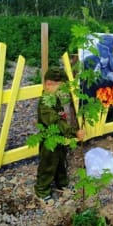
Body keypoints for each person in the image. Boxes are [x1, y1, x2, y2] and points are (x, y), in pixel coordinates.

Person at [34, 67, 85, 204]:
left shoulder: (55, 98)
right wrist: (74, 132)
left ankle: (61, 183)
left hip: (59, 138)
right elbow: (55, 122)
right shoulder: (45, 102)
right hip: (49, 139)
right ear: (47, 85)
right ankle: (42, 191)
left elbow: (65, 116)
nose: (62, 91)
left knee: (61, 161)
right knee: (48, 164)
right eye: (59, 87)